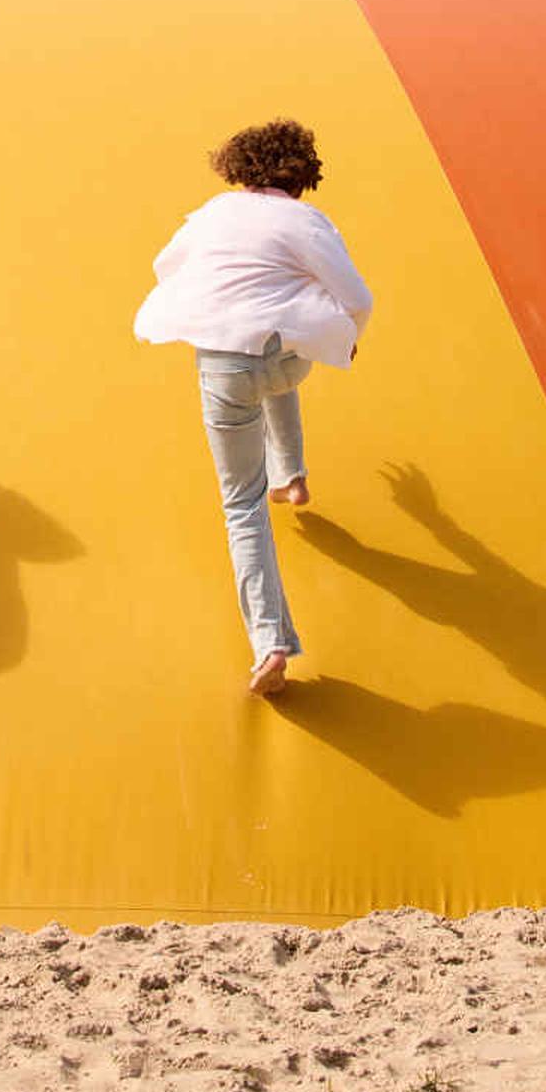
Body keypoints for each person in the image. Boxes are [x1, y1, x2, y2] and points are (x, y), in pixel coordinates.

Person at [131, 119, 374, 700]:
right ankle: (290, 475)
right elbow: (357, 298)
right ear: (302, 176)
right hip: (285, 361)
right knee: (282, 344)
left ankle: (271, 642)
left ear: (238, 167)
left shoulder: (213, 212)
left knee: (242, 504)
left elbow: (166, 265)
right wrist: (348, 339)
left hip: (224, 371)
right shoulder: (308, 221)